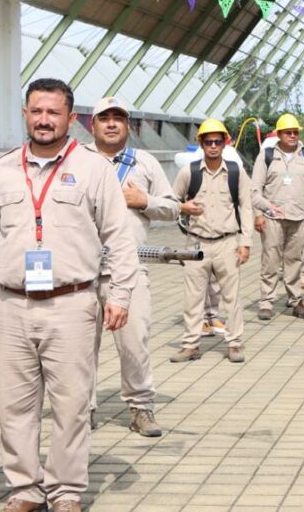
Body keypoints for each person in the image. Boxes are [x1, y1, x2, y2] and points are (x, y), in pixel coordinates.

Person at [0, 78, 138, 512]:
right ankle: (25, 488)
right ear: (25, 114)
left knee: (71, 404)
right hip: (11, 305)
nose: (44, 120)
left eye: (53, 112)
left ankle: (65, 491)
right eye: (37, 111)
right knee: (15, 406)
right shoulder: (2, 170)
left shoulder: (94, 169)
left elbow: (119, 237)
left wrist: (120, 294)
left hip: (72, 303)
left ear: (70, 118)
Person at [84, 96, 178, 438]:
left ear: (128, 125)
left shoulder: (145, 163)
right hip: (80, 273)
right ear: (92, 125)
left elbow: (173, 208)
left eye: (118, 118)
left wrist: (145, 201)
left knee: (134, 343)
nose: (111, 123)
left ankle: (141, 408)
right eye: (104, 118)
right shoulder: (77, 160)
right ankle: (82, 411)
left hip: (129, 270)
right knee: (79, 348)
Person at [171, 119, 254, 364]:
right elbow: (171, 202)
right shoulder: (189, 172)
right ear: (201, 143)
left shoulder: (236, 172)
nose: (214, 146)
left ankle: (235, 343)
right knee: (193, 298)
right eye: (209, 142)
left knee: (231, 297)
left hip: (227, 243)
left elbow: (246, 206)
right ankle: (190, 345)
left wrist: (245, 242)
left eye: (218, 141)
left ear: (225, 143)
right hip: (196, 244)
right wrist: (183, 207)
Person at [251, 113, 304, 321]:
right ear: (279, 134)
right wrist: (260, 213)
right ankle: (267, 302)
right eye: (288, 132)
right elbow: (255, 189)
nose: (292, 135)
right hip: (272, 217)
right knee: (270, 261)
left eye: (295, 132)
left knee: (295, 260)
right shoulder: (266, 156)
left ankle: (295, 301)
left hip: (299, 217)